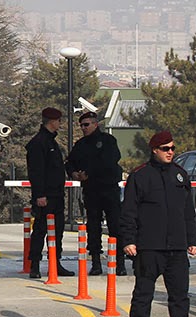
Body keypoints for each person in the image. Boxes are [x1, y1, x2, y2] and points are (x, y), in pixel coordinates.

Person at [120, 131, 196, 317]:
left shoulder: (180, 175)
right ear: (154, 150)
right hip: (149, 247)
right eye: (166, 149)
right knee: (143, 295)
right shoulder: (140, 175)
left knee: (179, 296)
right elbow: (129, 212)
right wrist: (129, 240)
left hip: (177, 247)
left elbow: (187, 212)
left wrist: (192, 240)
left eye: (173, 148)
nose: (171, 152)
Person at [64, 111, 126, 276]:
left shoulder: (107, 141)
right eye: (81, 125)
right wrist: (74, 173)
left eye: (87, 124)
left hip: (108, 188)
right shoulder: (81, 145)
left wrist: (89, 172)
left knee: (115, 226)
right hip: (91, 190)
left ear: (95, 124)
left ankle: (119, 262)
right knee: (93, 227)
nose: (84, 128)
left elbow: (109, 160)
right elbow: (70, 162)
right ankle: (96, 262)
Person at [25, 107, 75, 279]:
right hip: (46, 196)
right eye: (59, 121)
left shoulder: (52, 142)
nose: (60, 124)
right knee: (40, 229)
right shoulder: (39, 143)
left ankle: (55, 262)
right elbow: (36, 171)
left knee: (57, 230)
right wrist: (39, 195)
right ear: (52, 121)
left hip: (56, 194)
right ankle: (35, 264)